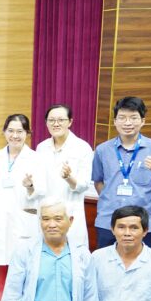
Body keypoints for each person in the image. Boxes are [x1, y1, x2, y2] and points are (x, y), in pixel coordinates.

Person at [92, 96, 151, 249]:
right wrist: (110, 199)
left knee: (142, 263)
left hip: (142, 224)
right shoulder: (102, 150)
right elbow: (98, 181)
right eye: (122, 118)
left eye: (133, 118)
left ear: (143, 121)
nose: (127, 123)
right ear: (115, 121)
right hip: (108, 221)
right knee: (106, 262)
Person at [0, 114, 45, 301]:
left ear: (27, 133)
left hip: (23, 218)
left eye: (20, 131)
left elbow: (42, 191)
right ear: (4, 132)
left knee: (21, 265)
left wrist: (30, 186)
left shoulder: (35, 159)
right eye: (11, 130)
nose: (15, 135)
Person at [36, 104, 93, 249]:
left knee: (72, 253)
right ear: (46, 122)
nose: (56, 124)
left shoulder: (82, 147)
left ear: (70, 122)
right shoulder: (41, 148)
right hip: (47, 212)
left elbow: (84, 185)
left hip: (70, 212)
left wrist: (69, 178)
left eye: (61, 120)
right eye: (51, 120)